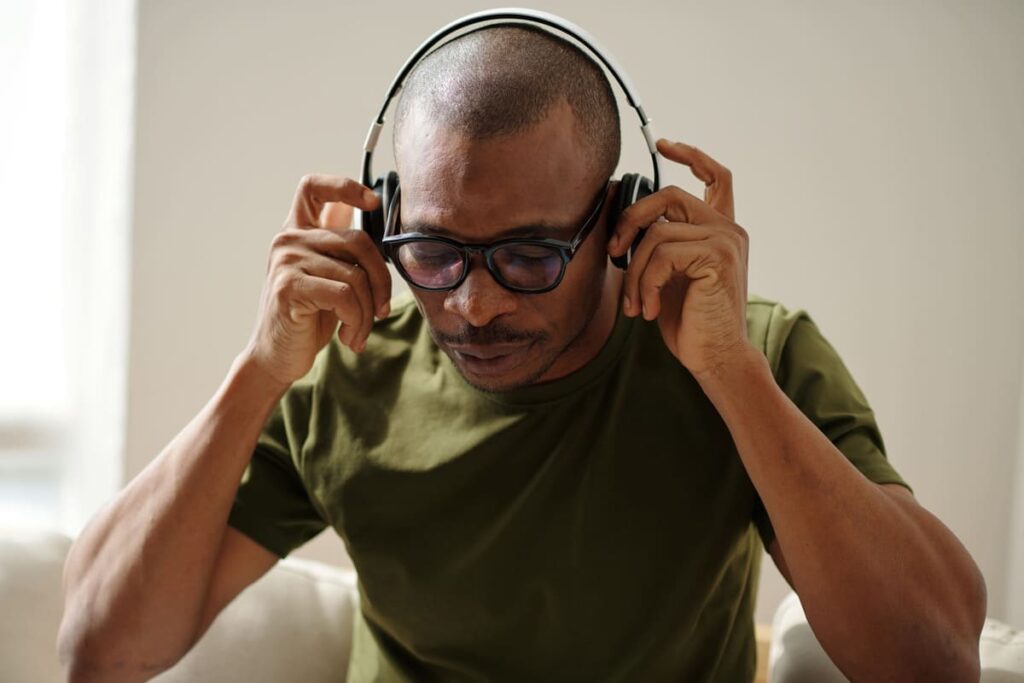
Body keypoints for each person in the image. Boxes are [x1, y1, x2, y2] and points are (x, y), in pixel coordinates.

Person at [58, 18, 986, 683]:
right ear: (384, 218)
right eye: (433, 250)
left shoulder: (754, 354)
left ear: (622, 221)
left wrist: (733, 375)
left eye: (530, 254)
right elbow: (100, 648)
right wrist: (258, 369)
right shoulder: (338, 366)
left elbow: (935, 659)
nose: (474, 303)